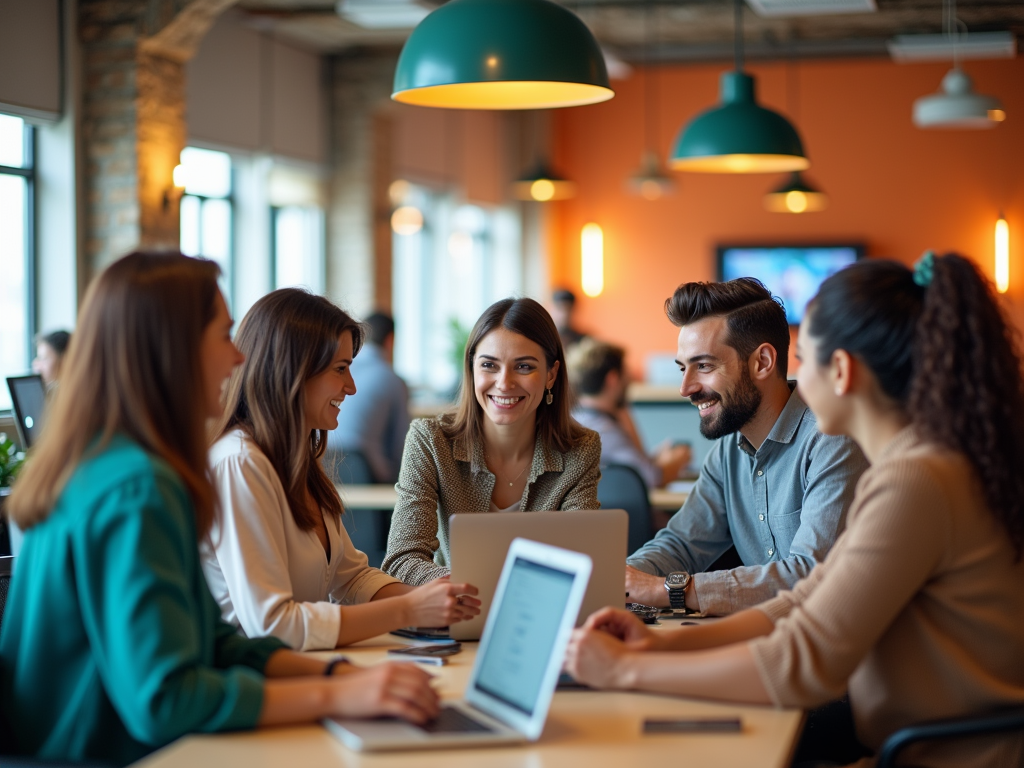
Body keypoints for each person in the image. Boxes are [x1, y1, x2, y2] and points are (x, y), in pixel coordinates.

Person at [566, 255, 1024, 768]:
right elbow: (807, 599)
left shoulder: (912, 481)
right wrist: (653, 648)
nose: (796, 381)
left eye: (803, 359)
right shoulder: (917, 466)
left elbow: (802, 660)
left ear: (843, 371)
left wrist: (627, 672)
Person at [0, 253, 440, 766]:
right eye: (224, 335)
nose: (238, 358)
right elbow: (166, 700)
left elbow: (217, 643)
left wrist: (339, 676)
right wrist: (338, 695)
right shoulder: (138, 487)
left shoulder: (112, 465)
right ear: (172, 350)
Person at [202, 289, 480, 652]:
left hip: (302, 669)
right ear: (293, 370)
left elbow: (352, 578)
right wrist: (409, 608)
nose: (350, 387)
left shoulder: (295, 462)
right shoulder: (240, 464)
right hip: (256, 684)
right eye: (340, 369)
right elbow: (272, 625)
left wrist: (435, 600)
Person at [625, 278, 868, 615]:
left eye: (704, 366)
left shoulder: (831, 440)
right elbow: (680, 545)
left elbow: (811, 577)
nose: (685, 388)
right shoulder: (727, 453)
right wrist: (618, 580)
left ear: (762, 362)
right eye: (683, 368)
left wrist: (665, 590)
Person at [382, 297, 602, 585]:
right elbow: (402, 559)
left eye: (524, 367)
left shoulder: (580, 449)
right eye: (489, 365)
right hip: (452, 614)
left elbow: (580, 559)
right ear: (472, 368)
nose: (504, 383)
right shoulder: (431, 441)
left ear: (551, 374)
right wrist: (473, 591)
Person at [567, 338, 691, 488]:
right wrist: (679, 459)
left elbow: (637, 467)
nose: (630, 381)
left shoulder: (575, 419)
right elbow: (651, 478)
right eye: (627, 374)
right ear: (612, 379)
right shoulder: (604, 430)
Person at [328, 311, 411, 484]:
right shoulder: (392, 379)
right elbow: (402, 445)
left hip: (327, 464)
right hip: (364, 469)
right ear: (390, 340)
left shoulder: (338, 370)